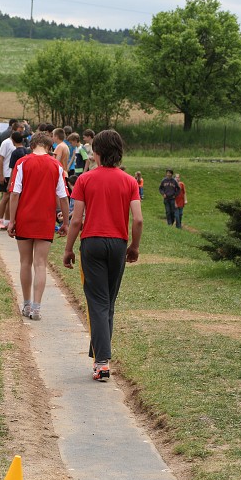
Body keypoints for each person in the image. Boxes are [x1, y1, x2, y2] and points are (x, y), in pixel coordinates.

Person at [63, 130, 143, 381]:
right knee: (108, 301)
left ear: (96, 153)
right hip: (118, 244)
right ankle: (100, 354)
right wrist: (134, 247)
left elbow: (76, 221)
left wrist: (68, 249)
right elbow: (138, 219)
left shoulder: (86, 180)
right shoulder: (130, 181)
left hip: (92, 243)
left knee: (97, 302)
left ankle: (101, 362)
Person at [7, 132, 69, 321]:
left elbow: (15, 193)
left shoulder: (23, 163)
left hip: (25, 217)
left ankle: (25, 304)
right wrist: (65, 222)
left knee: (25, 262)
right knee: (40, 263)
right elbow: (63, 197)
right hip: (45, 220)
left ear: (31, 145)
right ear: (50, 147)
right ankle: (36, 307)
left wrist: (11, 220)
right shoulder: (56, 165)